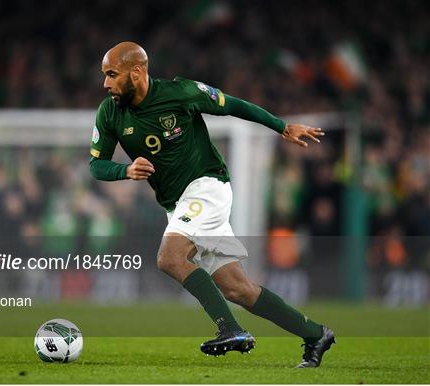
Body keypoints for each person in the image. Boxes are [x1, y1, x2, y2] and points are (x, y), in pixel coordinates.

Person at [89, 41, 335, 368]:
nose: (106, 83)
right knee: (238, 290)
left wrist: (282, 126)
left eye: (112, 74)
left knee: (170, 257)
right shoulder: (110, 112)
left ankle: (230, 329)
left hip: (207, 187)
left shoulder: (181, 92)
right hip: (178, 205)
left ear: (137, 72)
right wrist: (126, 170)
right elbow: (96, 164)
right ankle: (315, 334)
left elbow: (233, 105)